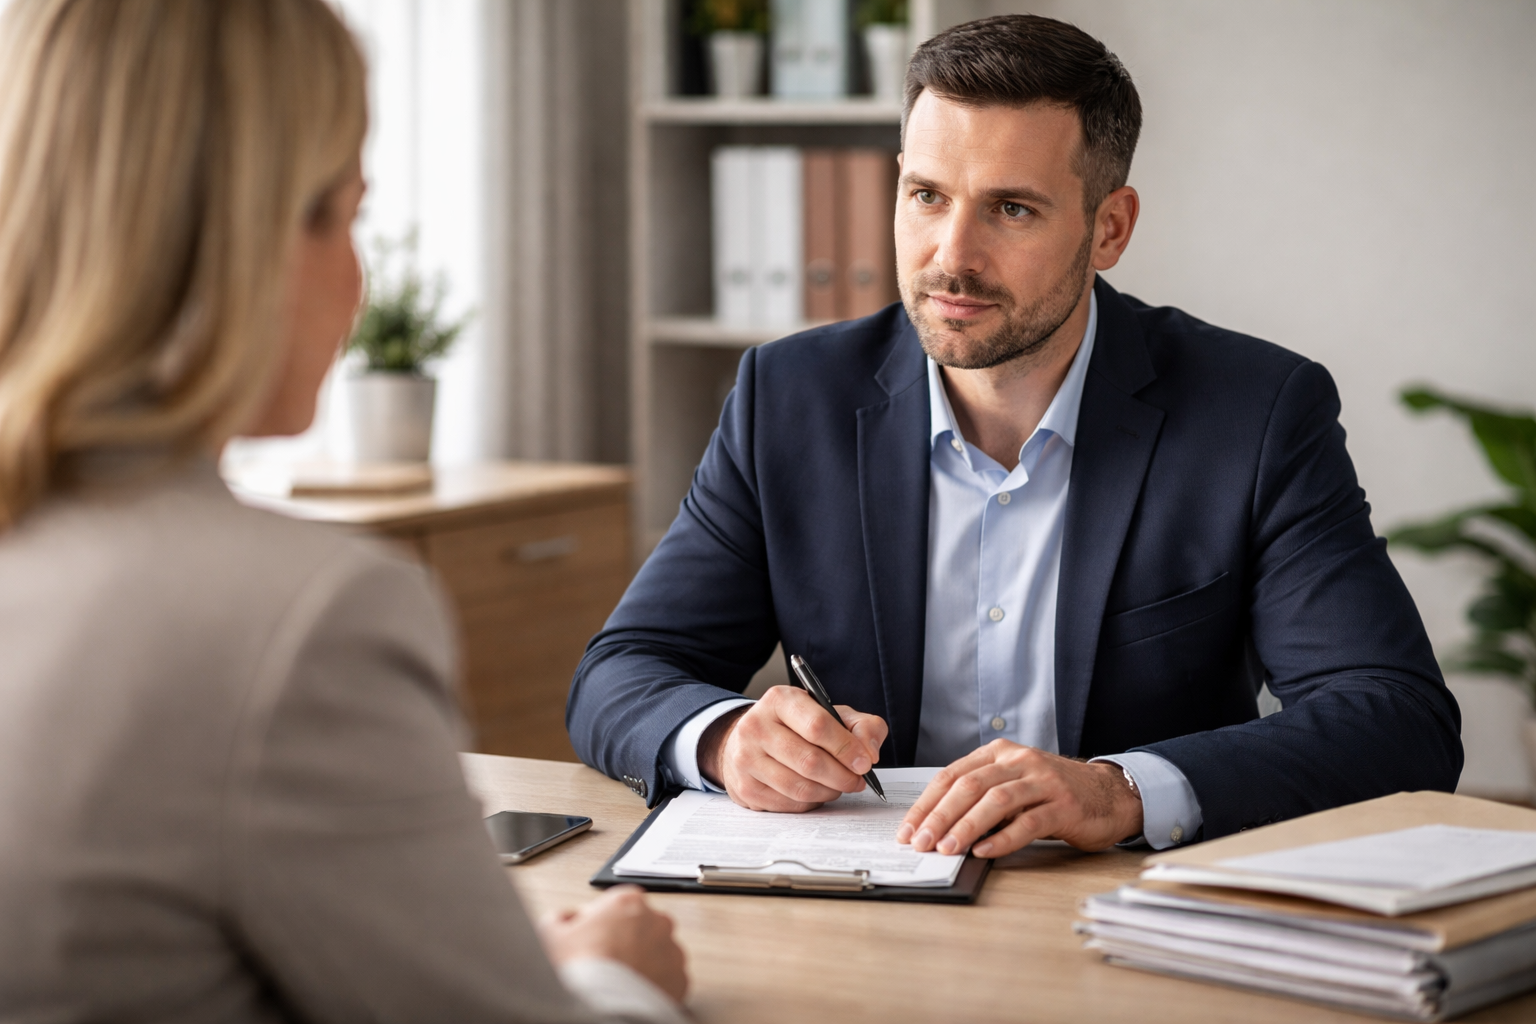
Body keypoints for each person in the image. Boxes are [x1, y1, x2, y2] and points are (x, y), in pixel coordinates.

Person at [568, 14, 1462, 859]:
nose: (952, 255)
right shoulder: (788, 396)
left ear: (1109, 227)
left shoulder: (1257, 412)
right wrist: (724, 738)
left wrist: (1122, 792)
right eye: (926, 195)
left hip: (1127, 911)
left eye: (1012, 209)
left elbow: (1393, 716)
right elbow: (625, 671)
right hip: (863, 899)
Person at [0, 1, 687, 1021]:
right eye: (344, 213)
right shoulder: (298, 615)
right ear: (243, 230)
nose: (358, 284)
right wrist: (614, 979)